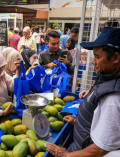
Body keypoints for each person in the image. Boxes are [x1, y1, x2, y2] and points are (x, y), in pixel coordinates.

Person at [45, 27, 120, 157]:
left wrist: (66, 155)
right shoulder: (108, 78)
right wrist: (78, 122)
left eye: (97, 56)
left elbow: (101, 148)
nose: (93, 61)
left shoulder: (113, 98)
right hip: (81, 141)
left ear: (115, 58)